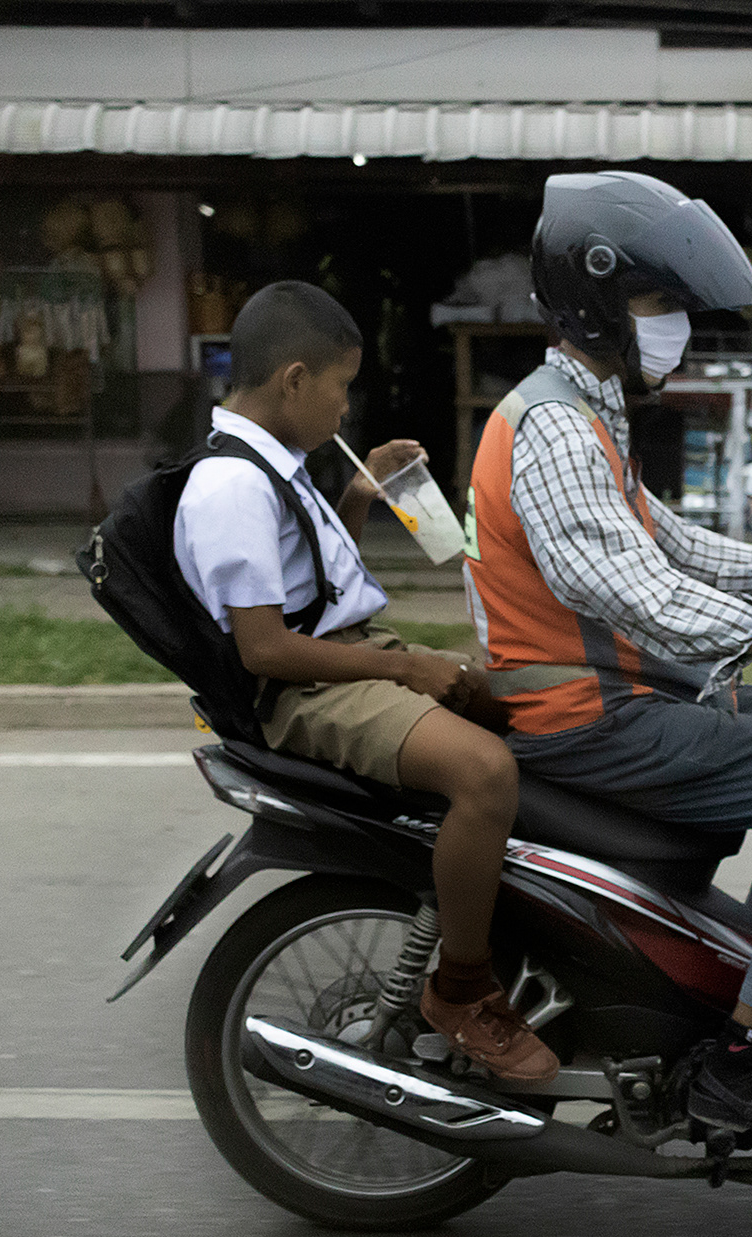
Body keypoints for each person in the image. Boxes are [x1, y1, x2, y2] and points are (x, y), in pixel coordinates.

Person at [462, 172, 752, 1152]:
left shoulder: (585, 408)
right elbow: (655, 599)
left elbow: (667, 539)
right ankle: (748, 1056)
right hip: (590, 718)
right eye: (658, 303)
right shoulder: (552, 426)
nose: (673, 325)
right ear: (596, 301)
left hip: (633, 692)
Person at [173, 281, 557, 1084]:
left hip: (347, 656)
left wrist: (354, 497)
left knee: (544, 701)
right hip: (307, 690)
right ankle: (461, 989)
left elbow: (309, 587)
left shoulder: (275, 465)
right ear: (294, 379)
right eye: (341, 387)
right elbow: (268, 650)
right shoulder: (233, 485)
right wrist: (404, 667)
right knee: (485, 774)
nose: (345, 410)